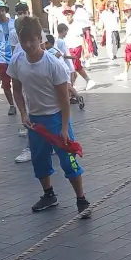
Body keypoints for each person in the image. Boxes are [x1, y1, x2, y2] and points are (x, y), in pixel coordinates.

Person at [7, 16, 91, 217]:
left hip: (55, 118)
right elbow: (16, 90)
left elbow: (64, 98)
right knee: (39, 160)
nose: (27, 45)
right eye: (23, 41)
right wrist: (23, 114)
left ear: (40, 39)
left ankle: (81, 199)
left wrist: (63, 128)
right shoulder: (17, 61)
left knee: (68, 160)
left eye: (32, 41)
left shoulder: (53, 64)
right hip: (35, 121)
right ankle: (49, 194)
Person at [0, 1, 17, 115]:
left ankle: (20, 103)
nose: (1, 13)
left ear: (5, 11)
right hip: (2, 57)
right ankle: (11, 105)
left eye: (2, 10)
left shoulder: (14, 23)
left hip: (15, 55)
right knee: (5, 83)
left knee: (18, 82)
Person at [63, 9, 95, 90]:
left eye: (69, 14)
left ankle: (72, 86)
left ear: (72, 15)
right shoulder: (65, 24)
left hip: (76, 47)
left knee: (73, 67)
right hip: (68, 48)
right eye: (66, 15)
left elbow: (82, 38)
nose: (67, 16)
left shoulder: (77, 24)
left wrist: (86, 50)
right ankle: (88, 80)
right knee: (76, 67)